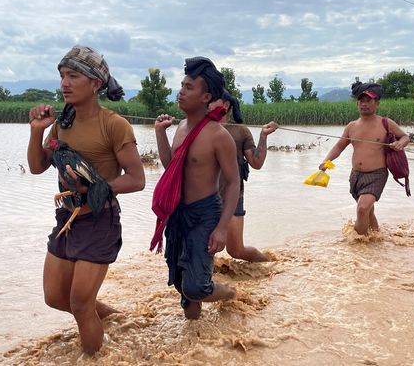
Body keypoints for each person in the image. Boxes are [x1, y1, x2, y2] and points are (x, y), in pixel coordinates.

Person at [27, 45, 145, 355]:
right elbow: (38, 167)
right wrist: (36, 132)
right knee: (55, 297)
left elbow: (136, 179)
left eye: (73, 76)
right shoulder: (61, 124)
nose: (65, 83)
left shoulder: (114, 125)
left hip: (99, 221)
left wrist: (95, 188)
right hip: (67, 220)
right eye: (63, 76)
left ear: (95, 84)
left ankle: (93, 359)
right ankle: (115, 318)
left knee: (79, 304)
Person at [153, 57, 239, 320]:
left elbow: (233, 182)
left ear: (206, 97)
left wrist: (222, 228)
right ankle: (195, 338)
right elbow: (171, 166)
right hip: (179, 212)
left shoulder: (218, 135)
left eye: (189, 87)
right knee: (181, 285)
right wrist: (159, 133)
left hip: (205, 214)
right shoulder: (180, 127)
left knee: (196, 286)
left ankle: (231, 293)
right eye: (182, 85)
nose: (181, 91)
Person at [319, 81, 409, 235]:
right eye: (361, 101)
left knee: (362, 209)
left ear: (377, 103)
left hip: (377, 174)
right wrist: (326, 162)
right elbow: (339, 146)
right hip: (356, 176)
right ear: (357, 103)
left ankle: (358, 244)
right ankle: (376, 238)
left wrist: (400, 144)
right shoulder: (352, 126)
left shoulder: (386, 123)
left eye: (369, 101)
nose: (364, 104)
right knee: (368, 211)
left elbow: (405, 137)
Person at [211, 90, 278, 262]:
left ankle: (269, 265)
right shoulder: (200, 130)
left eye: (212, 100)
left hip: (233, 196)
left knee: (236, 250)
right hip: (206, 197)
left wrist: (263, 136)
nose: (207, 103)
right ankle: (205, 284)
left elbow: (256, 163)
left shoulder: (240, 132)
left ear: (225, 106)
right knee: (207, 247)